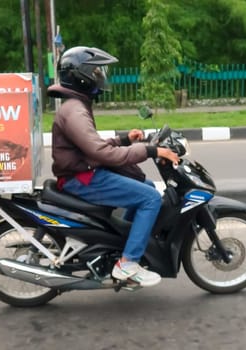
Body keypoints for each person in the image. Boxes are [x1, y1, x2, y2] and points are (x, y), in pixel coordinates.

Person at [47, 46, 179, 287]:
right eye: (96, 71)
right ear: (81, 75)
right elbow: (100, 153)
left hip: (83, 172)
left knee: (146, 184)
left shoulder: (75, 106)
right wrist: (150, 150)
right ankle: (128, 264)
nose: (100, 76)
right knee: (150, 198)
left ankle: (124, 243)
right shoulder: (75, 110)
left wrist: (124, 139)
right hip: (81, 178)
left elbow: (90, 146)